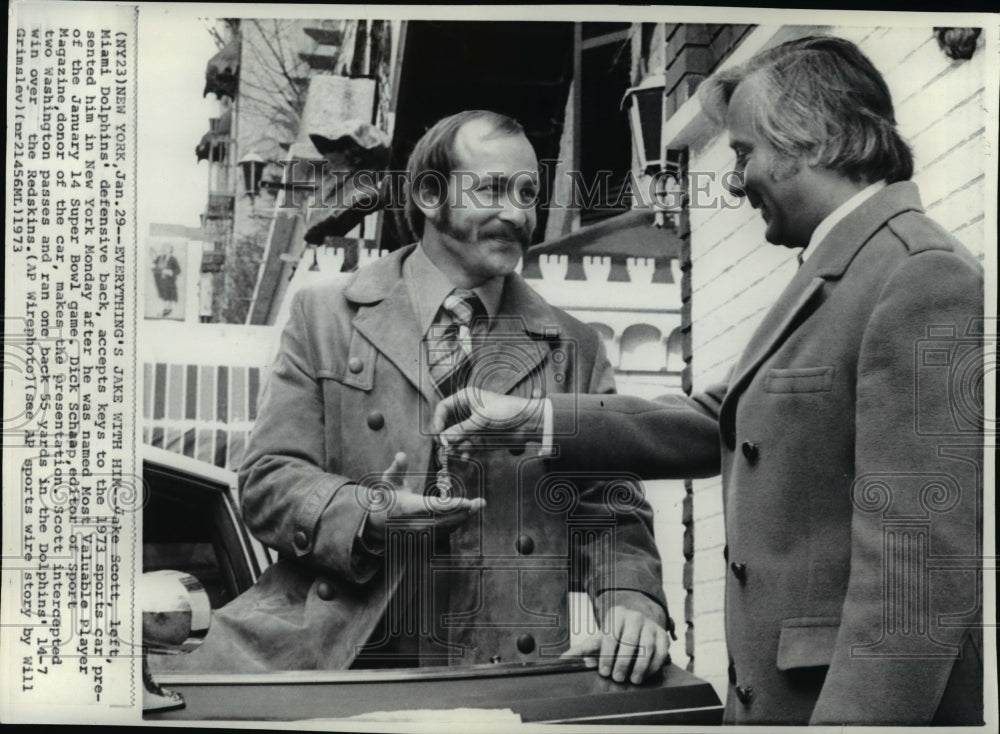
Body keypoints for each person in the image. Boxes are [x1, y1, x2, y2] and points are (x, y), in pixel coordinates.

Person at [435, 37, 984, 725]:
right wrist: (531, 420)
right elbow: (718, 419)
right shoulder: (849, 269)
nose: (733, 179)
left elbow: (917, 578)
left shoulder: (919, 274)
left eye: (745, 153)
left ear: (809, 140)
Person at [180, 110, 673, 682]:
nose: (516, 214)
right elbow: (266, 479)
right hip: (339, 666)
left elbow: (611, 513)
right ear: (430, 195)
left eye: (528, 193)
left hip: (504, 672)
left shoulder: (574, 348)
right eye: (491, 189)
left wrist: (632, 603)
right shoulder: (325, 318)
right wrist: (366, 513)